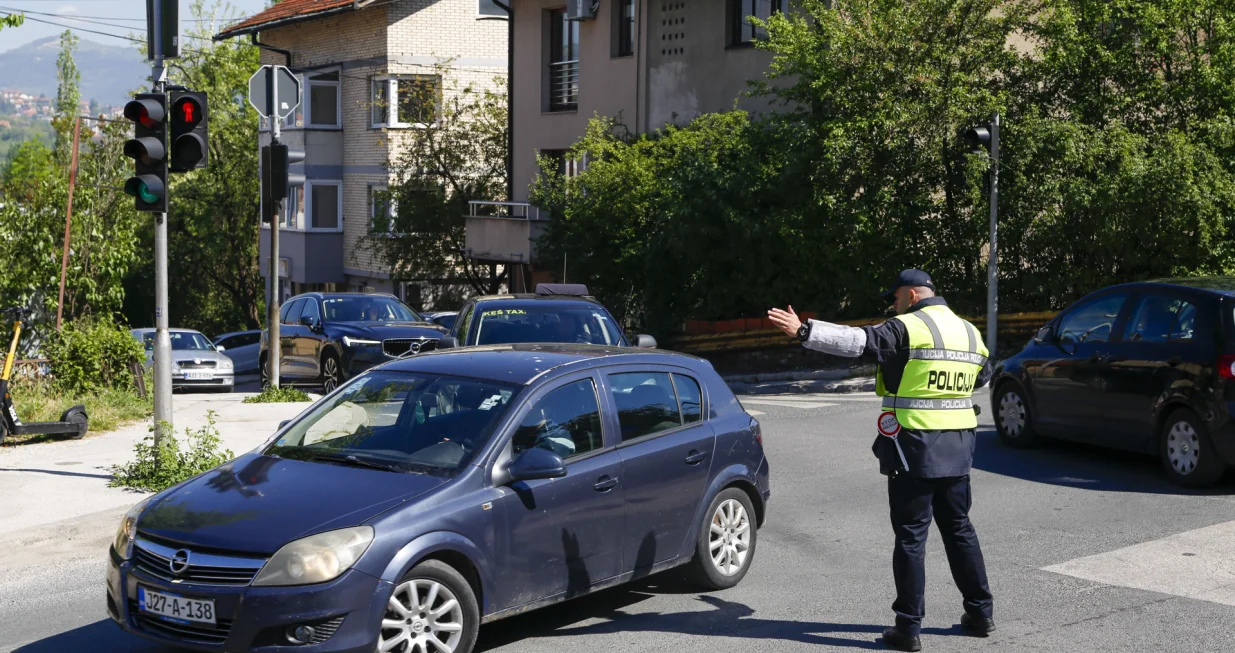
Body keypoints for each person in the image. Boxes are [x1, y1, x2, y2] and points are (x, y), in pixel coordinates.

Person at [768, 269, 995, 652]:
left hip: (914, 446)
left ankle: (908, 628)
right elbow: (982, 378)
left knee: (911, 536)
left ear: (910, 295)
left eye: (895, 299)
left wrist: (804, 331)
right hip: (959, 448)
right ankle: (981, 613)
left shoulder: (907, 327)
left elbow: (858, 341)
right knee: (959, 529)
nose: (893, 305)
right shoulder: (970, 332)